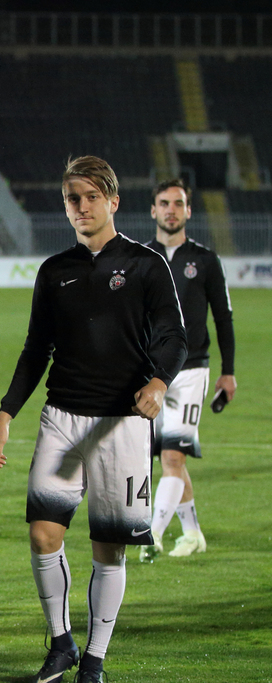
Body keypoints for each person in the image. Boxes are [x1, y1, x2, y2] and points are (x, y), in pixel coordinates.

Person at [0, 156, 186, 683]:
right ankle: (60, 642)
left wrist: (160, 382)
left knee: (108, 546)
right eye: (72, 198)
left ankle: (94, 659)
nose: (79, 207)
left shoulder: (146, 265)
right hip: (62, 418)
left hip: (121, 424)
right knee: (43, 532)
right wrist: (7, 412)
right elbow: (35, 350)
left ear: (113, 201)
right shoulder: (55, 271)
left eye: (89, 197)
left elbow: (173, 335)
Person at [142, 179, 236, 561]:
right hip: (149, 373)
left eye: (178, 203)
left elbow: (224, 318)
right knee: (166, 458)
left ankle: (152, 535)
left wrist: (228, 372)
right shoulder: (141, 257)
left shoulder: (206, 260)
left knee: (173, 459)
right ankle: (193, 532)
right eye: (164, 203)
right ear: (153, 210)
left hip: (192, 369)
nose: (171, 210)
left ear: (188, 211)